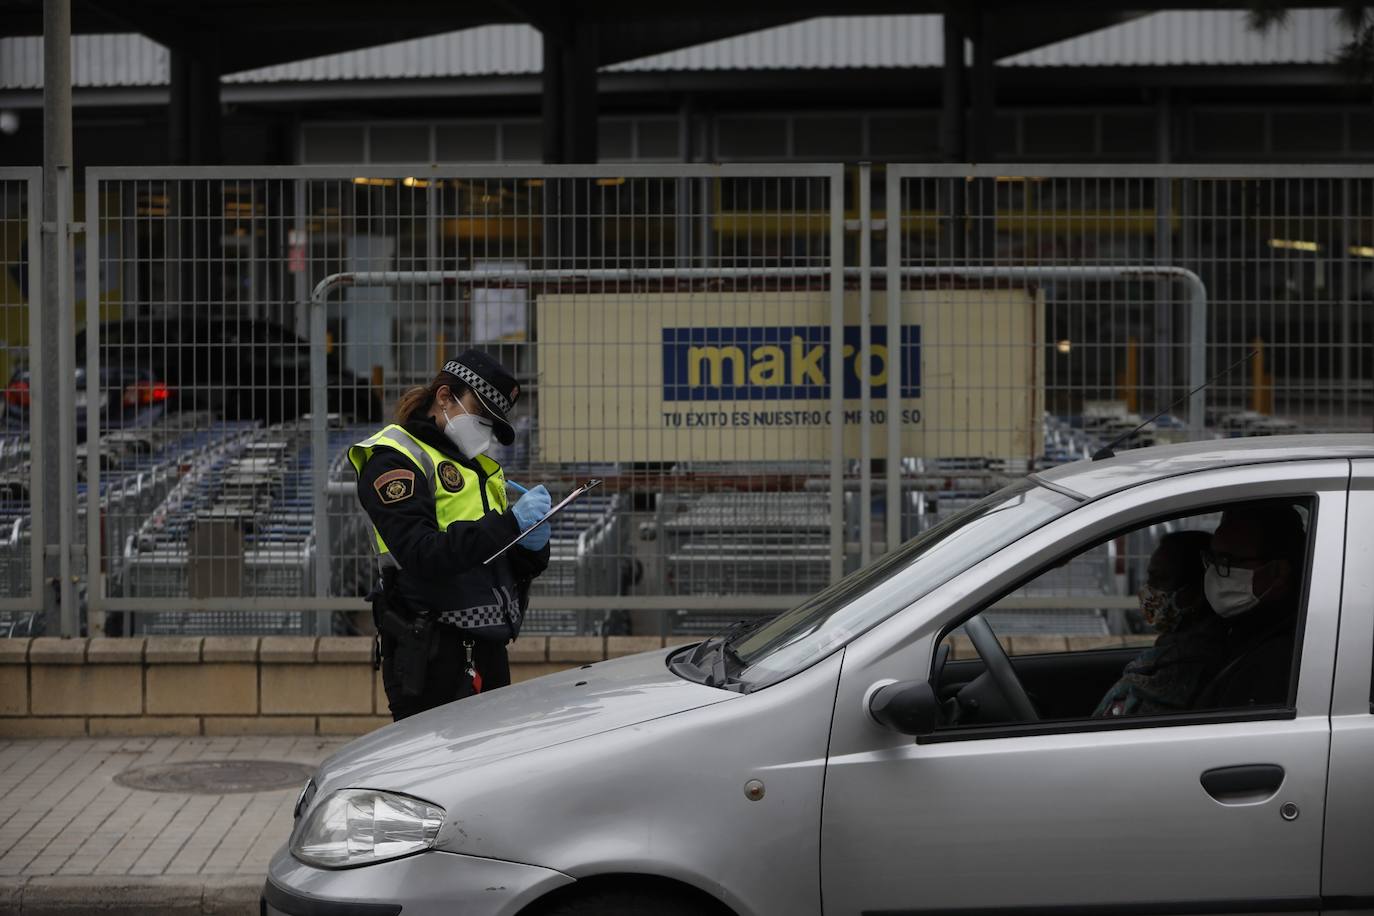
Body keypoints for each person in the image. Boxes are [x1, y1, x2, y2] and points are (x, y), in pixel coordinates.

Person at [348, 349, 552, 721]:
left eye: (494, 423)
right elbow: (422, 554)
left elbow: (499, 561)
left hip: (487, 649)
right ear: (444, 397)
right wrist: (508, 524)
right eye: (482, 416)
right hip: (431, 652)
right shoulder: (394, 458)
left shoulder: (478, 469)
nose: (485, 431)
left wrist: (533, 543)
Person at [1094, 530, 1223, 717]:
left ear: (1197, 590)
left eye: (1160, 579)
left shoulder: (1185, 669)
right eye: (1149, 578)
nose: (1148, 590)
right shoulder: (1175, 650)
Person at [1193, 500, 1307, 709]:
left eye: (1228, 561)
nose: (1213, 572)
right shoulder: (1235, 630)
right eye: (1213, 559)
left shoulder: (1281, 657)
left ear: (1277, 571)